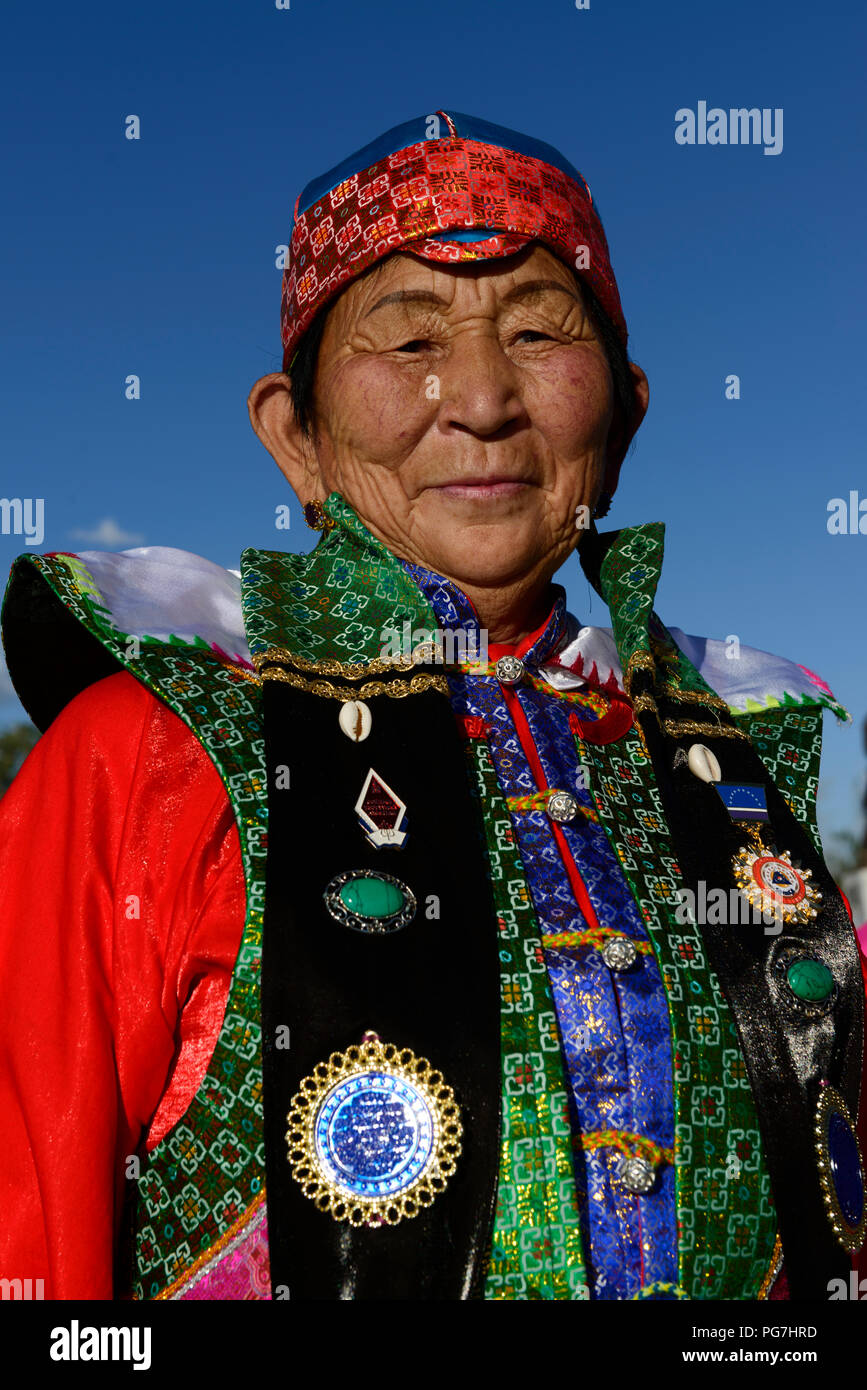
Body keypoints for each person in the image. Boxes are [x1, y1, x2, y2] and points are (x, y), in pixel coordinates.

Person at [0, 109, 864, 1303]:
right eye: (407, 341)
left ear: (621, 420)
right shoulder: (152, 757)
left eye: (539, 331)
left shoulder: (736, 770)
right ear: (296, 438)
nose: (481, 398)